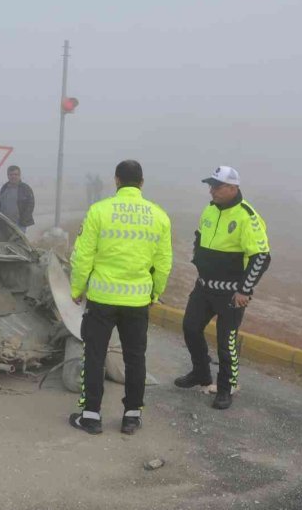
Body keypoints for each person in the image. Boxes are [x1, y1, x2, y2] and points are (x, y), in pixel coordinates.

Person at [68, 160, 173, 435]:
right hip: (137, 302)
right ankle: (131, 416)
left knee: (94, 356)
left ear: (116, 180)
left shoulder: (99, 211)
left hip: (102, 299)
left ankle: (90, 416)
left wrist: (77, 289)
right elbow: (163, 262)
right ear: (141, 183)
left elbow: (82, 255)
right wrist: (155, 293)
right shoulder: (159, 216)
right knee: (135, 358)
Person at [175, 166, 271, 410]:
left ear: (233, 188)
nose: (211, 191)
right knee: (190, 327)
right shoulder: (209, 209)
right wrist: (199, 259)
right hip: (204, 287)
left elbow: (261, 256)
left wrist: (245, 290)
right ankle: (201, 373)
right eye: (211, 186)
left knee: (225, 341)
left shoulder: (247, 216)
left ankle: (226, 388)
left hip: (231, 293)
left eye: (217, 186)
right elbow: (199, 236)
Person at [0, 165, 35, 232]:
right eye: (11, 174)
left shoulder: (25, 189)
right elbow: (0, 204)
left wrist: (24, 218)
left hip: (20, 224)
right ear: (8, 175)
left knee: (18, 242)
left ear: (19, 175)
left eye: (16, 174)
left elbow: (31, 204)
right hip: (5, 223)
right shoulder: (4, 188)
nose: (13, 176)